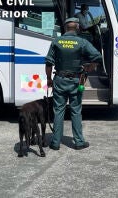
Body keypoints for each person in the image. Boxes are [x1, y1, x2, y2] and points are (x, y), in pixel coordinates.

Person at [45, 17, 102, 150]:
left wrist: (49, 79)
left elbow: (49, 63)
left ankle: (55, 143)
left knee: (58, 110)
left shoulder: (56, 41)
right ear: (77, 27)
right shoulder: (82, 42)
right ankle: (79, 142)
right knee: (76, 111)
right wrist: (90, 67)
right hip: (76, 81)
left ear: (65, 28)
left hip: (59, 79)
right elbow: (97, 56)